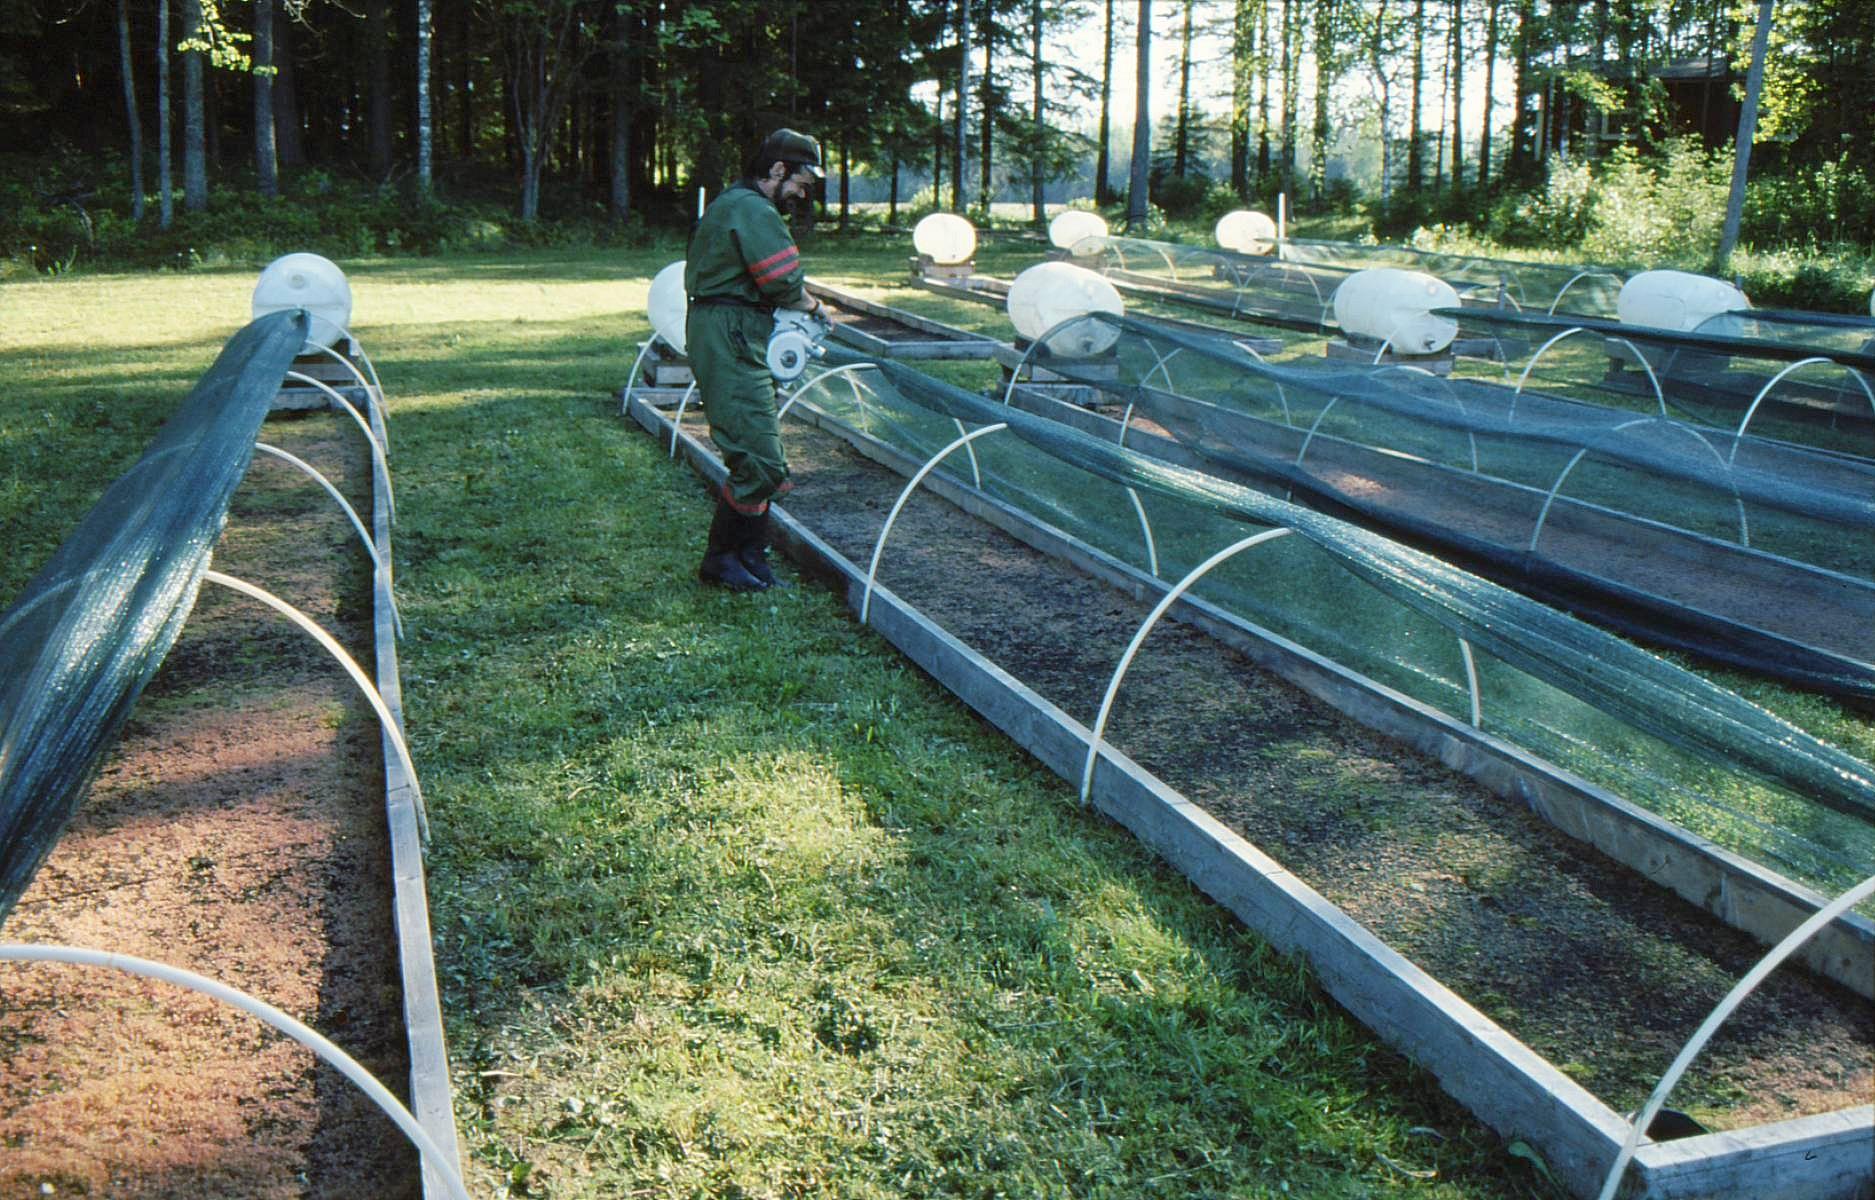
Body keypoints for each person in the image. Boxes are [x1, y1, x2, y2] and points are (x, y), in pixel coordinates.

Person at [684, 128, 831, 592]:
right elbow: (782, 280)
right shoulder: (753, 209)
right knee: (759, 460)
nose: (805, 192)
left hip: (733, 329)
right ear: (776, 169)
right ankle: (721, 559)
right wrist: (814, 308)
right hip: (729, 334)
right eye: (802, 181)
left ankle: (749, 555)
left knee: (763, 454)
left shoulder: (737, 204)